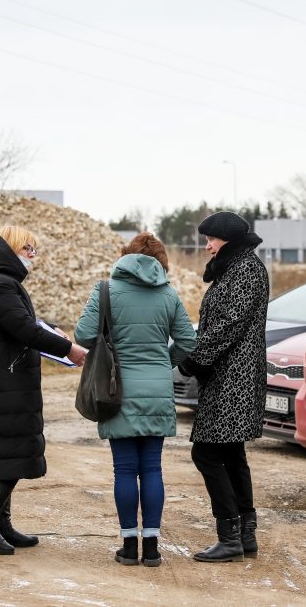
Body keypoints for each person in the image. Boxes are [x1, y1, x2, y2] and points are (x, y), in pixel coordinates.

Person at [0, 225, 86, 555]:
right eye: (27, 249)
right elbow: (23, 328)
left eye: (34, 250)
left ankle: (1, 525)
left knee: (9, 446)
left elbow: (25, 324)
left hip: (7, 372)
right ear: (10, 248)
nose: (33, 256)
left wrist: (50, 331)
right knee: (10, 446)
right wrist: (67, 348)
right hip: (4, 375)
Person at [74, 232, 196, 567]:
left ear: (126, 256)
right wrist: (163, 361)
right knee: (152, 468)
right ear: (161, 262)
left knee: (125, 469)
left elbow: (83, 335)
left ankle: (129, 547)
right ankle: (153, 548)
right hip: (157, 390)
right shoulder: (168, 294)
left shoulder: (106, 291)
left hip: (118, 390)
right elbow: (188, 341)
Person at [177, 211, 269, 563]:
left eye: (211, 239)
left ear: (227, 239)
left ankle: (230, 535)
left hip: (235, 377)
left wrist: (193, 361)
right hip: (229, 374)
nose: (207, 246)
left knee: (207, 453)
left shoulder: (246, 268)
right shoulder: (237, 267)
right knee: (231, 454)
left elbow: (228, 325)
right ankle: (244, 536)